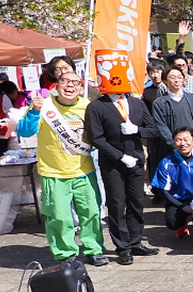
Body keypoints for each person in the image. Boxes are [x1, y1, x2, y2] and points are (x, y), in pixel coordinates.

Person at [17, 72, 108, 266]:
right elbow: (24, 131)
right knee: (59, 216)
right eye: (65, 82)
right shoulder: (45, 106)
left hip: (84, 171)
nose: (70, 86)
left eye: (75, 83)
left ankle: (94, 249)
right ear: (57, 85)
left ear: (80, 86)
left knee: (91, 212)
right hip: (54, 172)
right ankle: (65, 253)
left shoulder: (87, 106)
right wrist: (34, 111)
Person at [85, 78, 160, 265]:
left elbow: (153, 129)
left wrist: (136, 130)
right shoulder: (96, 107)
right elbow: (96, 138)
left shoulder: (136, 103)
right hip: (112, 164)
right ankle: (123, 247)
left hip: (135, 161)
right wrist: (119, 157)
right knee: (117, 205)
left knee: (136, 203)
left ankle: (135, 242)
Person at [151, 127, 193, 237]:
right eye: (178, 140)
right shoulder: (166, 163)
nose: (183, 143)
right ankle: (183, 223)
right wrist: (182, 206)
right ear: (174, 142)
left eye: (186, 139)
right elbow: (163, 191)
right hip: (181, 200)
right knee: (172, 221)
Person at [151, 66, 193, 162]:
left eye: (179, 77)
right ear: (165, 80)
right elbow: (162, 128)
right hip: (171, 150)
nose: (176, 80)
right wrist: (175, 145)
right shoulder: (159, 104)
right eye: (172, 77)